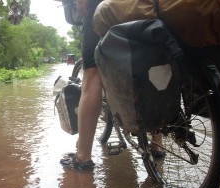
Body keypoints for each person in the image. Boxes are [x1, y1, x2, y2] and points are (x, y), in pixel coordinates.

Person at [60, 0, 165, 171]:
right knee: (150, 65)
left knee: (92, 75)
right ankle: (157, 144)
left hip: (104, 7)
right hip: (146, 5)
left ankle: (82, 157)